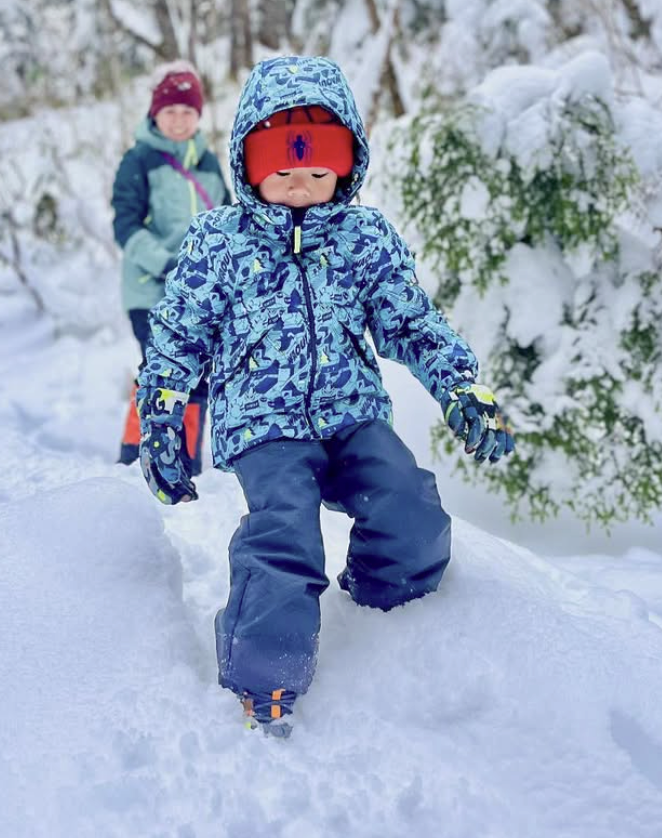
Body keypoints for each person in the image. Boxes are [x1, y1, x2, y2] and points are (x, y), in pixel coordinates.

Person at [135, 56, 516, 737]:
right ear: (249, 166)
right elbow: (178, 334)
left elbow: (410, 322)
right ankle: (264, 672)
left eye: (317, 172)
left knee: (409, 502)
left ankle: (382, 605)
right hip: (263, 425)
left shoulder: (363, 238)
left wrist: (460, 385)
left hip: (351, 415)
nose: (301, 187)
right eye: (282, 172)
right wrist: (161, 411)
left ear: (347, 165)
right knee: (284, 529)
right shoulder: (218, 243)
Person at [112, 60, 230, 475]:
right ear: (155, 114)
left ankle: (185, 461)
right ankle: (134, 457)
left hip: (199, 294)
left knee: (196, 372)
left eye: (187, 112)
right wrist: (165, 264)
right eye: (170, 112)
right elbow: (125, 224)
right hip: (150, 289)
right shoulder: (139, 161)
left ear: (198, 115)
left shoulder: (210, 164)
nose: (178, 121)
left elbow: (228, 220)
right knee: (160, 370)